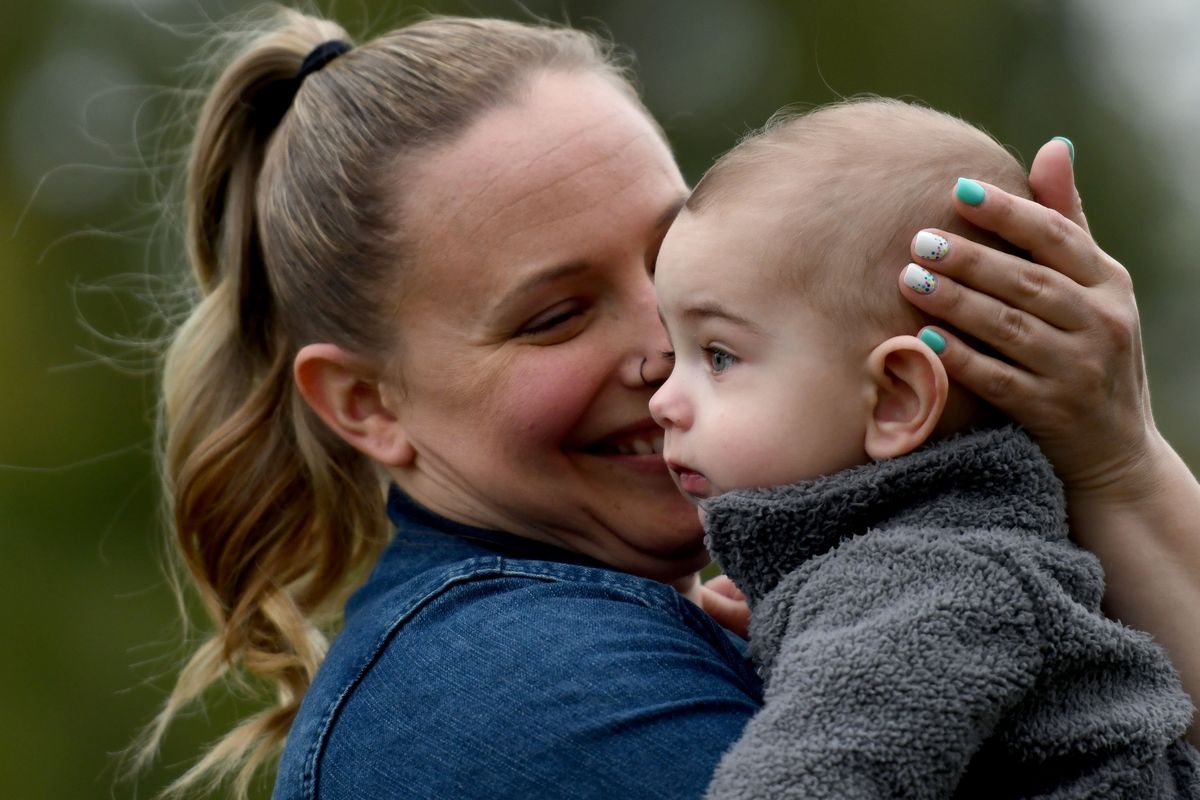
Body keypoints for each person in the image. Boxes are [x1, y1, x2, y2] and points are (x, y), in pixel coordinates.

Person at [134, 9, 1200, 800]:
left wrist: (1116, 457)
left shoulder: (810, 588)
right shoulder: (529, 693)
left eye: (670, 255)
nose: (662, 344)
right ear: (365, 405)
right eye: (554, 315)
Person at [649, 98, 1200, 798]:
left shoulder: (930, 585)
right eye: (674, 351)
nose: (661, 398)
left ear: (898, 399)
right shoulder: (933, 573)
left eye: (719, 356)